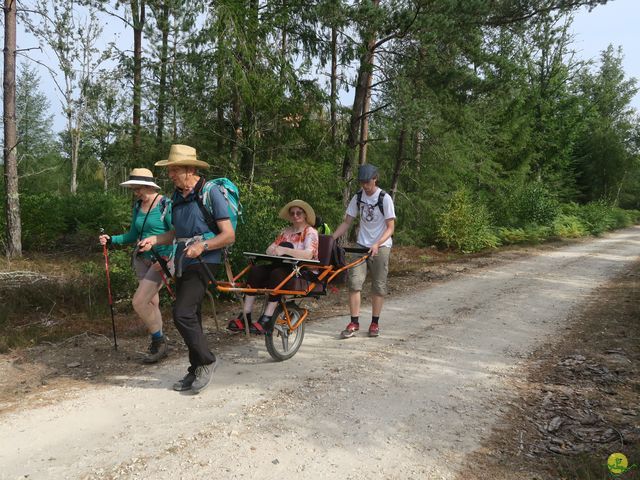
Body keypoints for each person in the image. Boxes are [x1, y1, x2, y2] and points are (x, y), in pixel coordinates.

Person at [138, 145, 235, 394]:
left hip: (205, 261)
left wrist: (203, 246)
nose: (170, 175)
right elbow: (176, 234)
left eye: (175, 170)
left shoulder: (210, 193)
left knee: (181, 313)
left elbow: (228, 235)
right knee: (193, 315)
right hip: (183, 260)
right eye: (169, 170)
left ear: (191, 169)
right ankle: (195, 368)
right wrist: (155, 240)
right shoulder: (178, 197)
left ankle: (208, 360)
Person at [99, 168, 174, 363]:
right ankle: (160, 340)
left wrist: (168, 257)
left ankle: (159, 342)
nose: (135, 193)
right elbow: (133, 234)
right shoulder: (137, 206)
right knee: (151, 303)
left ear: (148, 186)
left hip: (161, 260)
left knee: (138, 302)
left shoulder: (165, 204)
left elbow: (177, 234)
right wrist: (111, 239)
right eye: (133, 189)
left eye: (137, 188)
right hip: (142, 258)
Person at [227, 200, 319, 334]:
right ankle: (245, 316)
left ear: (305, 215)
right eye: (292, 213)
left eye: (298, 212)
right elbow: (270, 249)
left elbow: (308, 255)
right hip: (281, 265)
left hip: (301, 270)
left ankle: (267, 318)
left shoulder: (310, 232)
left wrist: (284, 250)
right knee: (256, 271)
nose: (295, 215)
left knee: (277, 274)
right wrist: (274, 250)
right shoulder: (286, 231)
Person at [332, 164, 396, 338]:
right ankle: (354, 322)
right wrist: (332, 238)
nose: (365, 186)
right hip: (361, 245)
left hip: (381, 246)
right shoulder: (358, 197)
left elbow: (390, 228)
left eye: (367, 182)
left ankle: (374, 323)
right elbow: (347, 222)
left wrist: (377, 243)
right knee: (354, 283)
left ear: (375, 179)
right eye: (362, 183)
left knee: (378, 286)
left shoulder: (385, 198)